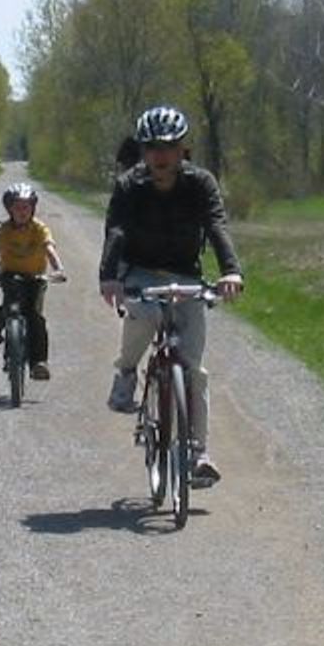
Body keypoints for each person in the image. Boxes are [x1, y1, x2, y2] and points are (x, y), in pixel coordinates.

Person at [98, 104, 244, 485]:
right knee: (143, 317)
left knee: (193, 367)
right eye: (151, 148)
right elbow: (116, 231)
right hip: (140, 271)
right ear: (143, 151)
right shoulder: (131, 185)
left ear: (183, 150)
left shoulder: (201, 184)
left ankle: (198, 453)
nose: (160, 156)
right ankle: (127, 372)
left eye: (168, 147)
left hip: (185, 274)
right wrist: (109, 277)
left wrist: (231, 270)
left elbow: (216, 224)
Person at [0, 181, 65, 380]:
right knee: (12, 302)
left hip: (36, 277)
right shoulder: (3, 231)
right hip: (9, 273)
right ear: (9, 209)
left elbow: (49, 249)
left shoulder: (39, 229)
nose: (22, 211)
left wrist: (59, 269)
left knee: (35, 316)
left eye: (26, 207)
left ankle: (39, 362)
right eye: (17, 207)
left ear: (33, 208)